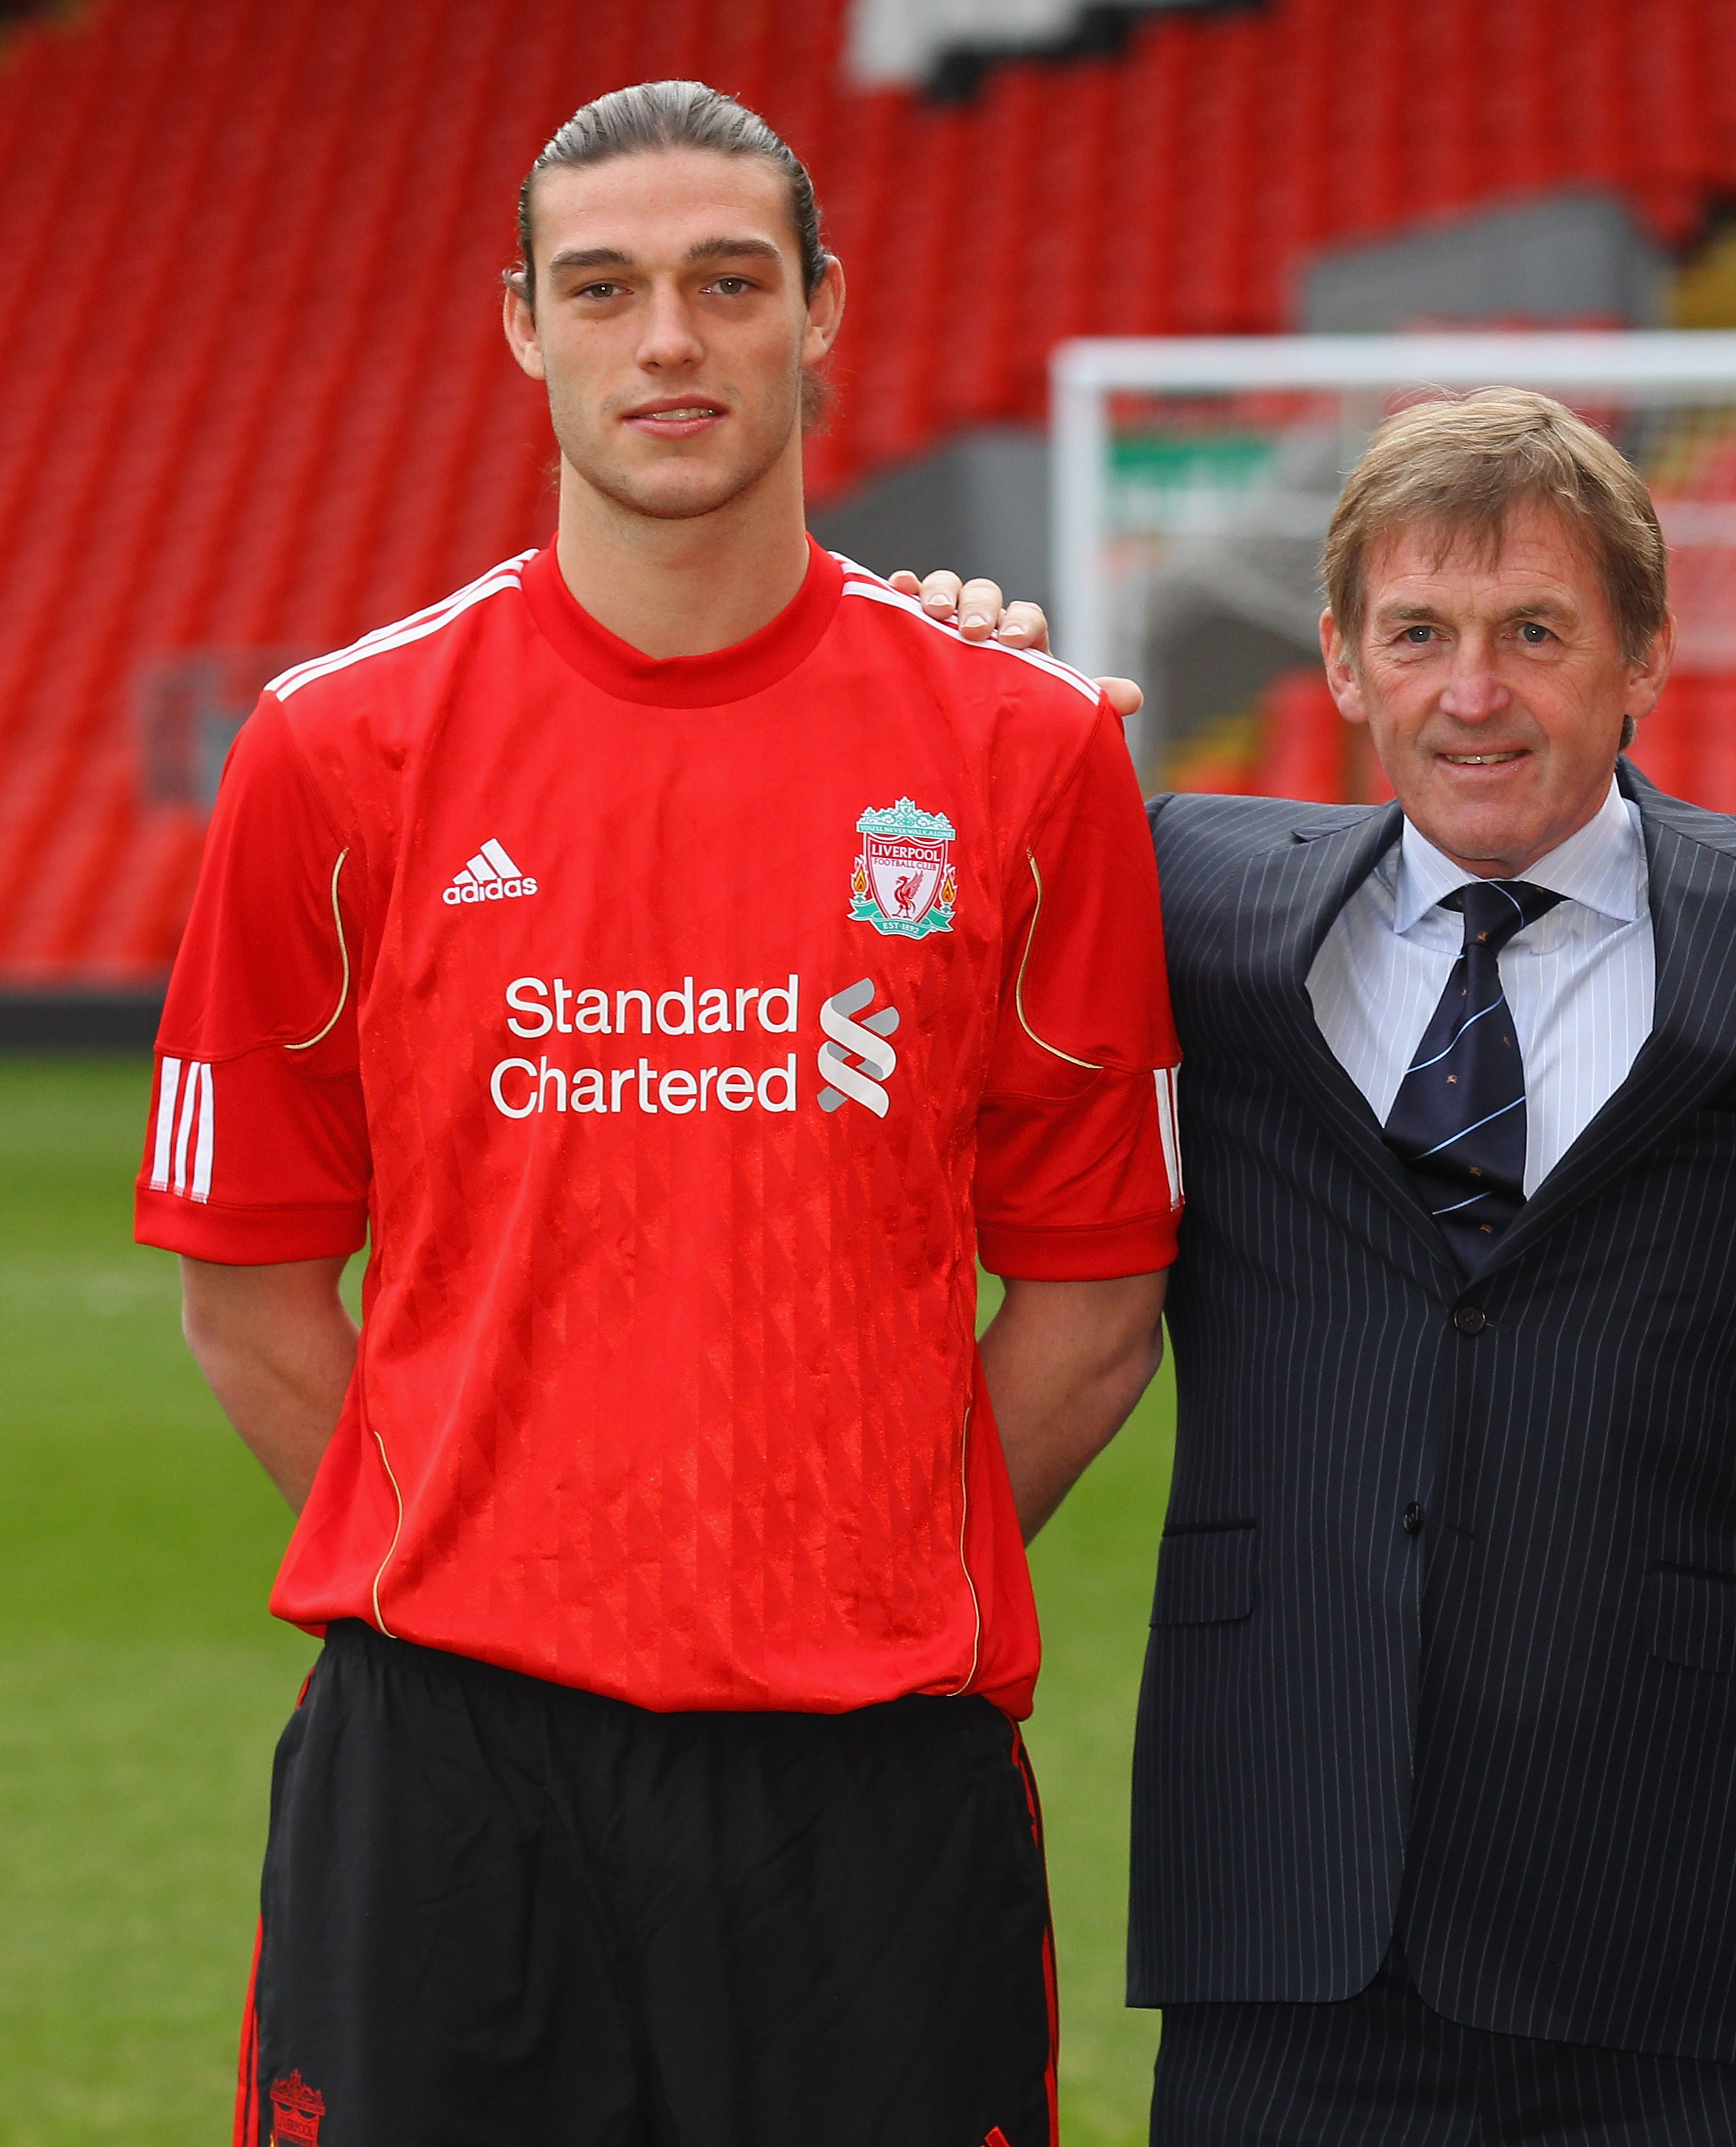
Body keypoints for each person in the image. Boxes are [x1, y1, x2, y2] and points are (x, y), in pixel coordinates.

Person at [135, 82, 1177, 2147]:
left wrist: (862, 1560)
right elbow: (250, 1288)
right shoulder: (336, 752)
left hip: (868, 1782)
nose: (669, 342)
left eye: (726, 283)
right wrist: (486, 1561)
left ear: (822, 310)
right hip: (450, 1779)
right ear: (523, 326)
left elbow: (1090, 1301)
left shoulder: (1020, 752)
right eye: (603, 290)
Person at [1117, 388, 1736, 2145]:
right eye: (1422, 635)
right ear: (1341, 660)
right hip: (1287, 1928)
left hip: (1702, 1931)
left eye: (1534, 632)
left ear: (1644, 656)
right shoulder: (1187, 892)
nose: (1473, 692)